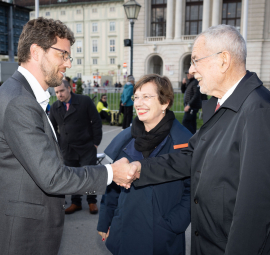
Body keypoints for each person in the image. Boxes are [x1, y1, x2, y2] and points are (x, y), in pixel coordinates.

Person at [120, 24, 270, 255]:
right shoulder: (221, 105)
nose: (191, 70)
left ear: (223, 60)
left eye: (195, 60)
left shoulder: (258, 109)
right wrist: (139, 167)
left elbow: (256, 207)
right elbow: (191, 157)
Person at [0, 17, 131, 255]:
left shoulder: (20, 94)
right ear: (36, 52)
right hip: (23, 235)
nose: (68, 64)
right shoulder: (20, 101)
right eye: (63, 54)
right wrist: (113, 172)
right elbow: (52, 177)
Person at [97, 74, 191, 255]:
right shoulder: (125, 139)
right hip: (124, 229)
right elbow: (113, 186)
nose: (139, 103)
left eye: (146, 97)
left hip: (161, 237)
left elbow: (193, 191)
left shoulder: (184, 142)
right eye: (136, 97)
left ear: (165, 103)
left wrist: (171, 224)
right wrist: (106, 219)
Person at [49, 80, 102, 215]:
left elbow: (96, 121)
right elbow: (52, 129)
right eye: (56, 92)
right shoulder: (55, 107)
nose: (59, 95)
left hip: (86, 146)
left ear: (69, 89)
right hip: (68, 149)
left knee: (90, 175)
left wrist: (96, 142)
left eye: (61, 91)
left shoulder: (84, 101)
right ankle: (76, 202)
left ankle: (92, 201)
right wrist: (60, 144)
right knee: (73, 176)